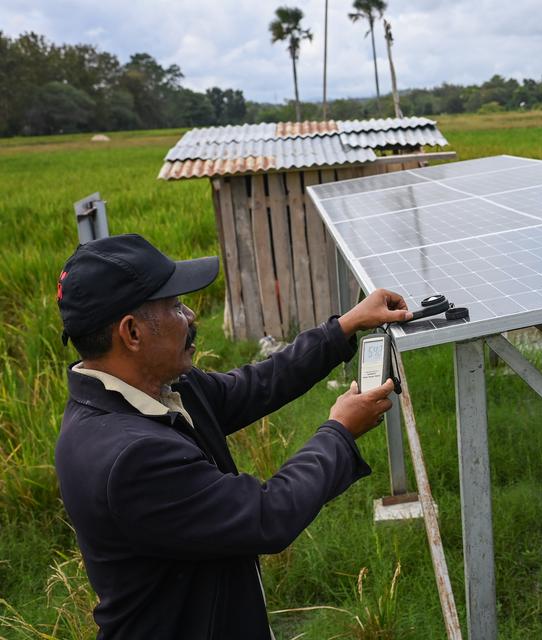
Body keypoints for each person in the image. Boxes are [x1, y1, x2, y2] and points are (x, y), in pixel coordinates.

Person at [54, 233, 412, 639]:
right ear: (132, 333)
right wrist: (340, 431)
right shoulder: (129, 458)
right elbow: (267, 515)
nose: (190, 317)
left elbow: (254, 385)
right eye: (174, 306)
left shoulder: (156, 390)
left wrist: (345, 327)